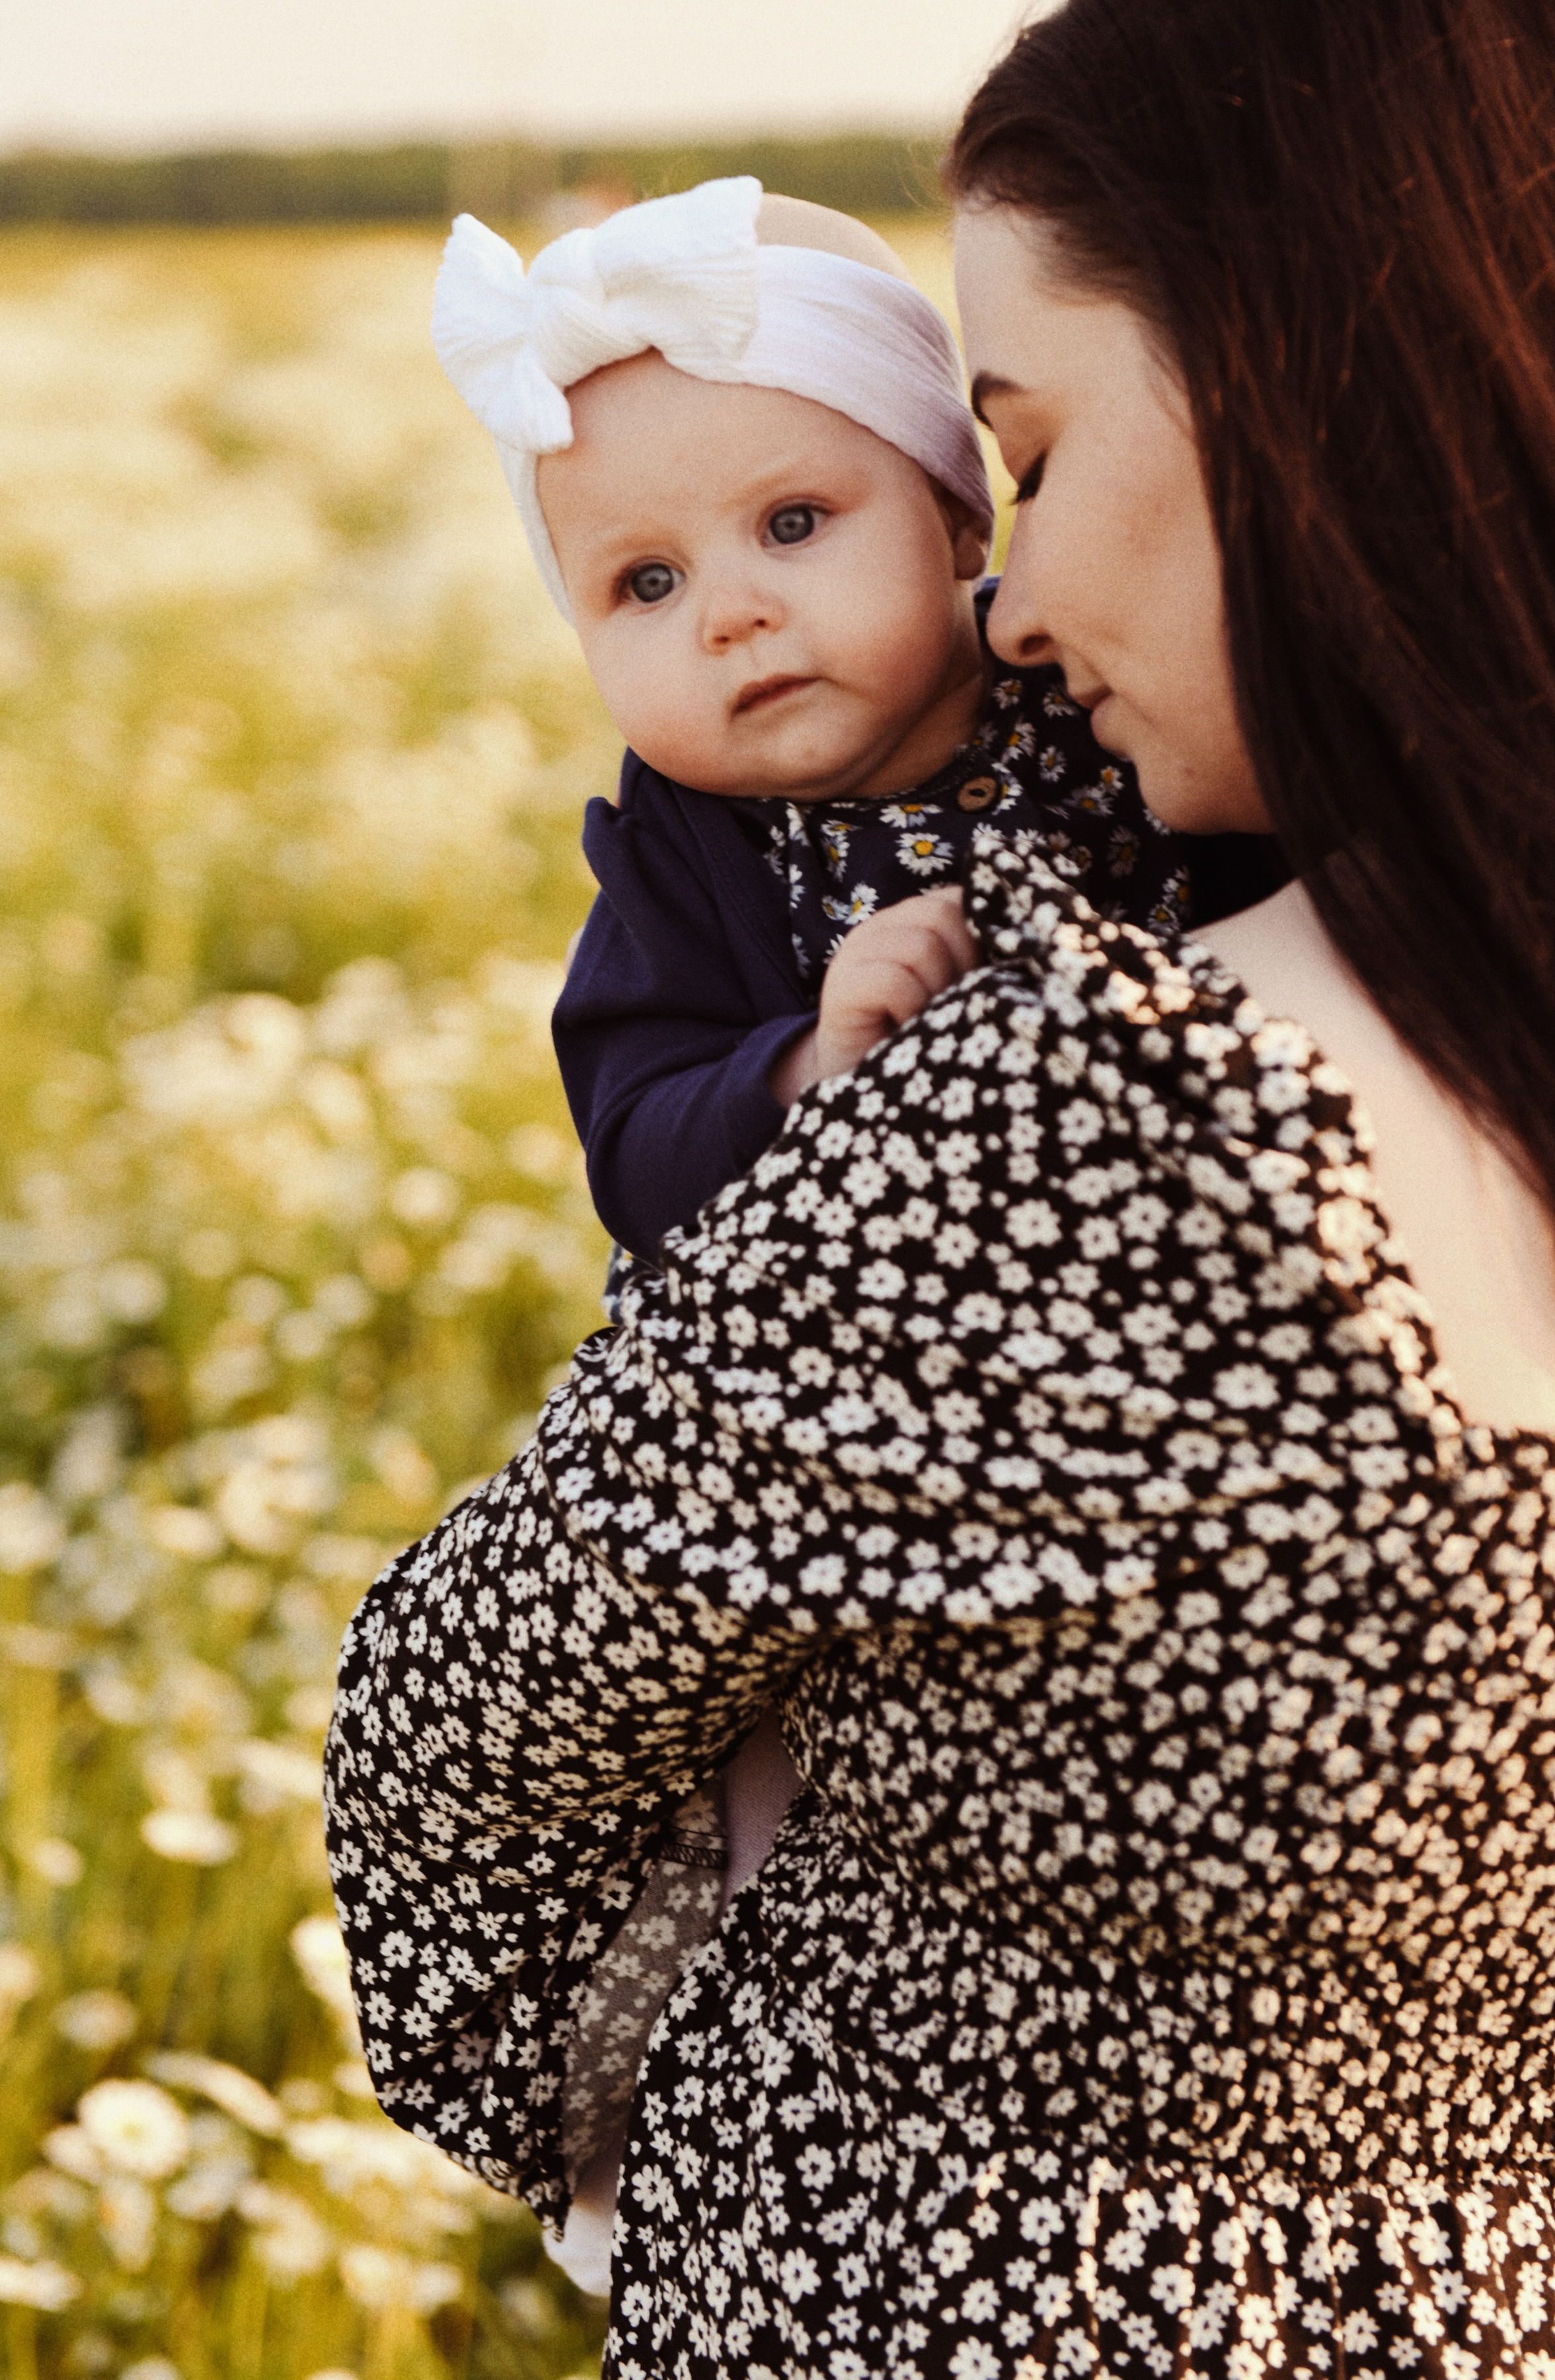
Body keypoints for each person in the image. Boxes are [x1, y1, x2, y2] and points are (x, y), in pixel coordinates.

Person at [326, 0, 1555, 2372]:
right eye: (634, 583)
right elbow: (632, 1099)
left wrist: (688, 2127)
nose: (1023, 603)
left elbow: (450, 1752)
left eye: (1029, 465)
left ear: (1316, 416)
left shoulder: (1086, 1139)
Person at [428, 179, 1281, 2289]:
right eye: (640, 582)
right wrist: (802, 1069)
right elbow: (628, 1122)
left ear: (965, 520)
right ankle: (656, 2115)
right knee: (757, 1806)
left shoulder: (1117, 730)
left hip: (1116, 1443)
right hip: (799, 1466)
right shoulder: (684, 855)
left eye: (794, 527)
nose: (729, 611)